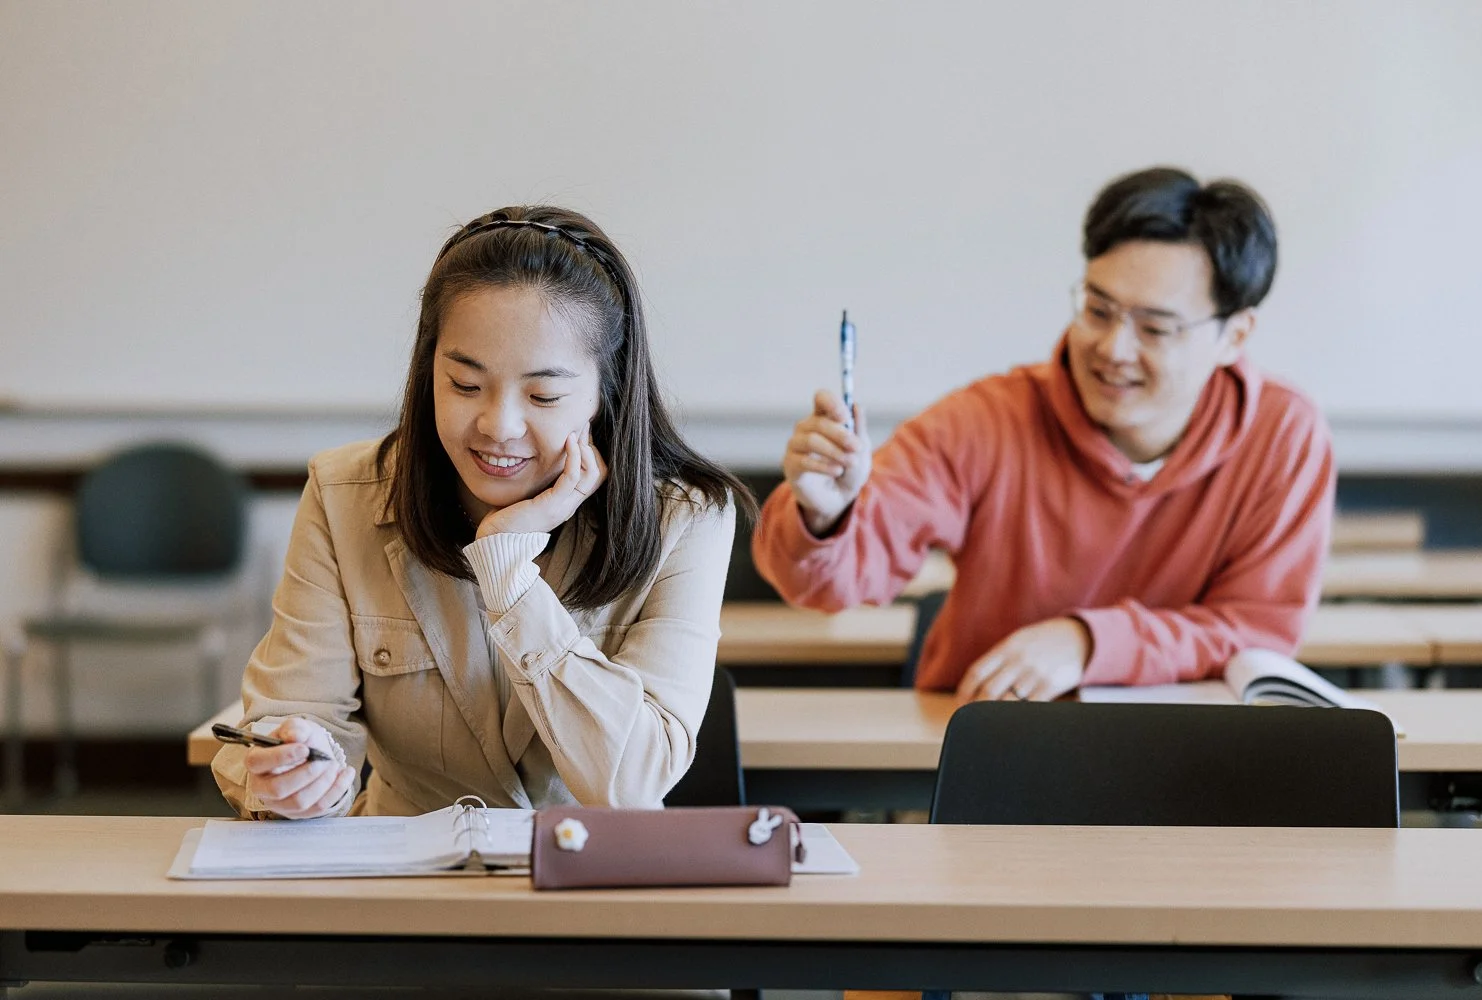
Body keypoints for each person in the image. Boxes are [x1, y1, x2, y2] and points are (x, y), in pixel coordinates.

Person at [213, 206, 753, 818]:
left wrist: (508, 572)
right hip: (402, 881)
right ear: (428, 371)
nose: (498, 425)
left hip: (595, 886)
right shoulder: (345, 496)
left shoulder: (686, 520)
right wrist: (300, 774)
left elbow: (629, 782)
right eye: (465, 386)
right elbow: (293, 716)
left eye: (544, 395)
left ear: (609, 392)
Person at [753, 166, 1333, 702]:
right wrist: (825, 517)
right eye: (1098, 310)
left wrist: (1088, 643)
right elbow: (827, 586)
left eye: (1155, 328)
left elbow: (1257, 630)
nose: (1113, 349)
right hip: (992, 757)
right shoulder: (986, 420)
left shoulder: (1283, 436)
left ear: (1235, 335)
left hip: (1186, 769)